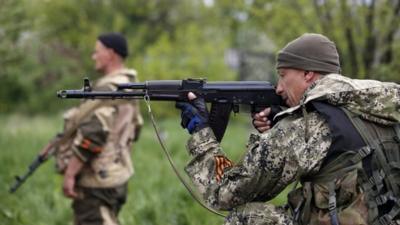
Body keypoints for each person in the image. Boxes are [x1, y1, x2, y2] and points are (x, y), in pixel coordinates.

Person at [176, 33, 400, 225]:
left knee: (245, 218)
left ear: (308, 74)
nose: (279, 87)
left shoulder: (306, 128)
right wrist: (279, 124)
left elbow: (225, 193)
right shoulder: (381, 109)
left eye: (283, 75)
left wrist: (202, 133)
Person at [56, 32, 143, 225]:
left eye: (97, 52)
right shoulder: (129, 85)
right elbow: (136, 129)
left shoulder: (109, 89)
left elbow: (94, 135)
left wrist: (70, 174)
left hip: (97, 177)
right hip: (117, 172)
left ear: (110, 54)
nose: (93, 56)